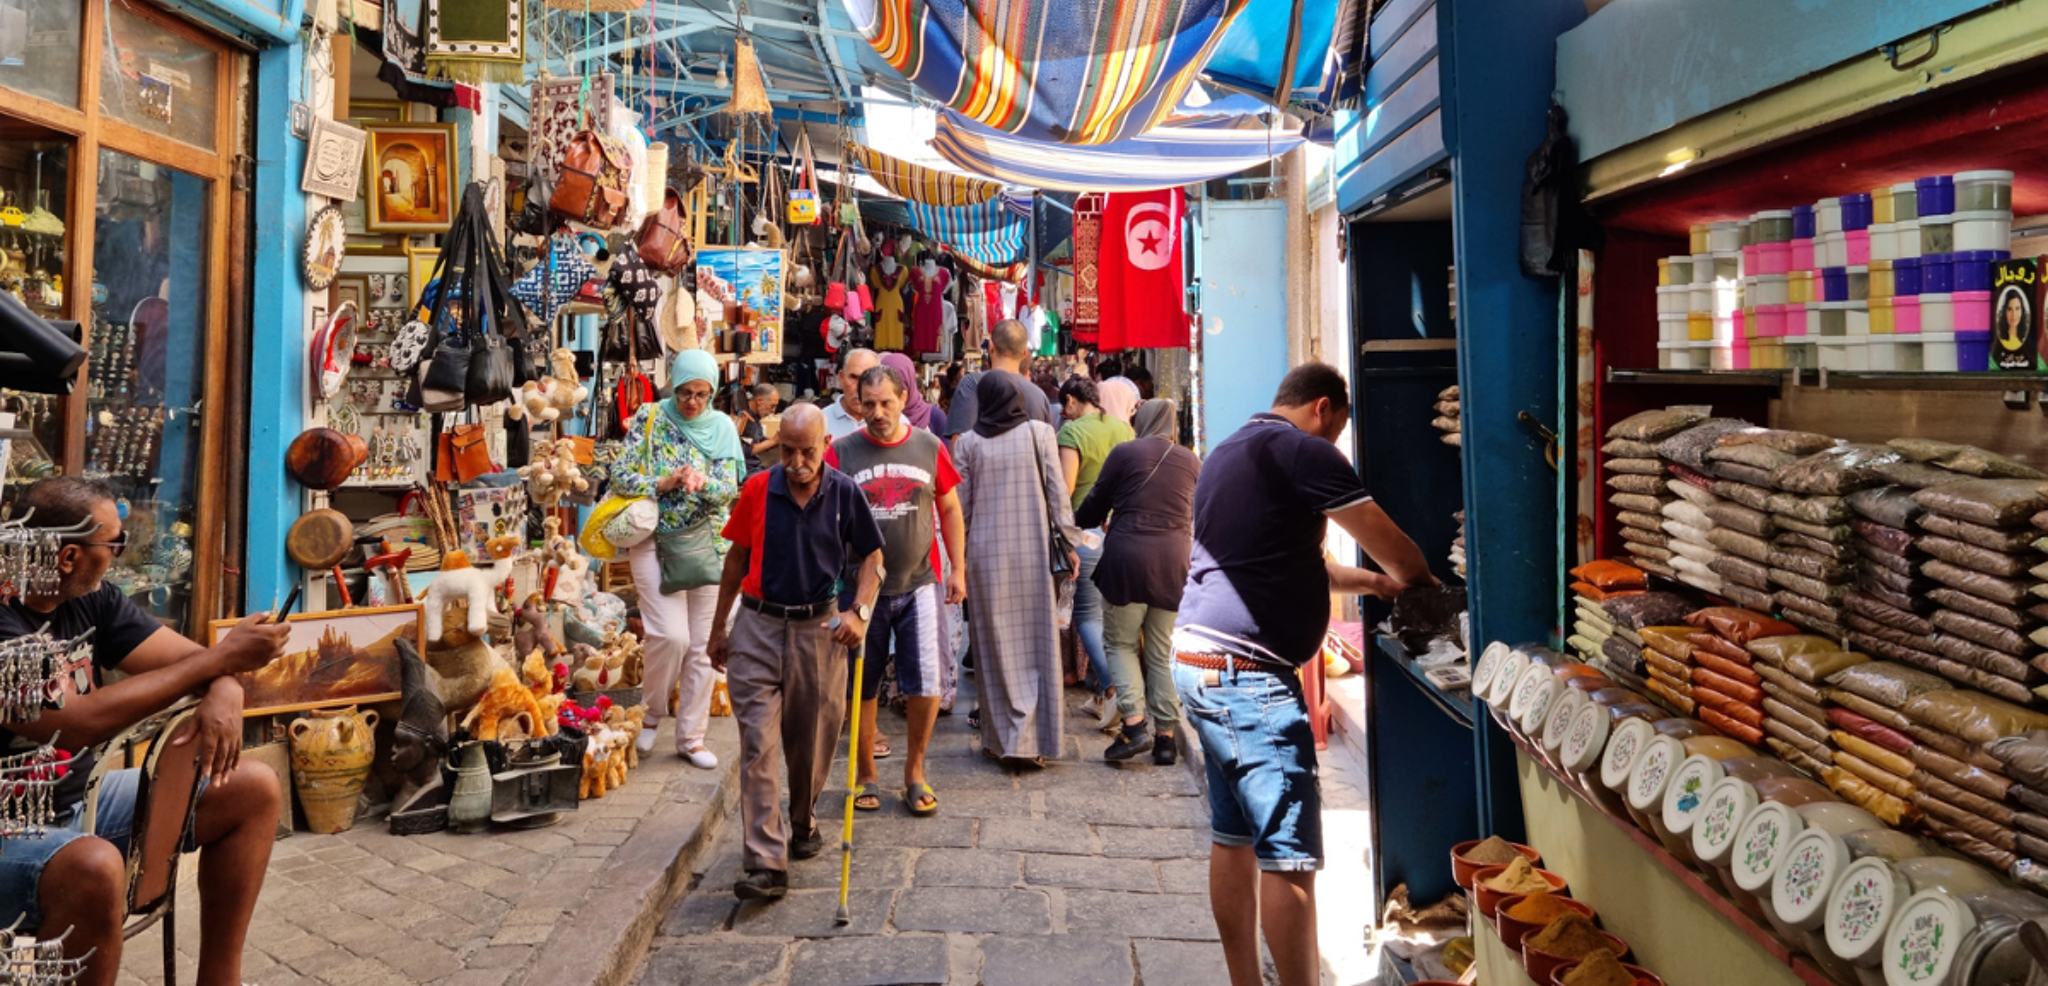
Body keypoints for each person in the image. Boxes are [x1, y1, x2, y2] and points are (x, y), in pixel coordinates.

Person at [1175, 363, 1436, 986]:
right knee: (1289, 858)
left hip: (1198, 659)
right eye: (1337, 432)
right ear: (1323, 408)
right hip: (1248, 674)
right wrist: (1422, 586)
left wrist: (1372, 584)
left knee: (1233, 836)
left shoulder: (1227, 451)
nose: (1335, 447)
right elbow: (1397, 549)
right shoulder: (1302, 452)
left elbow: (1296, 562)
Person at [0, 477, 290, 986]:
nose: (118, 553)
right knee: (94, 864)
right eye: (113, 544)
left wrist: (226, 687)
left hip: (73, 804)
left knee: (252, 788)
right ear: (68, 556)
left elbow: (193, 661)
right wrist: (224, 661)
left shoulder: (91, 600)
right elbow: (74, 724)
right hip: (11, 826)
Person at [707, 403, 884, 900]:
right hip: (759, 627)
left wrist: (859, 613)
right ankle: (766, 862)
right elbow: (736, 558)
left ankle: (803, 821)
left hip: (818, 631)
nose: (797, 460)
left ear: (826, 446)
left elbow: (873, 558)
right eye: (787, 450)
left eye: (807, 451)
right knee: (757, 748)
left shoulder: (845, 493)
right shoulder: (759, 489)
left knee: (810, 744)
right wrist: (719, 628)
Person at [827, 364, 966, 815]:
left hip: (920, 583)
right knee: (861, 686)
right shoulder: (841, 452)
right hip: (861, 589)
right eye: (868, 404)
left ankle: (915, 772)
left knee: (926, 681)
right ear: (856, 404)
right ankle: (866, 773)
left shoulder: (928, 447)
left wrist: (958, 570)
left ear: (904, 398)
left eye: (886, 402)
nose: (877, 412)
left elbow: (949, 509)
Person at [612, 351, 744, 767]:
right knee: (670, 636)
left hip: (707, 542)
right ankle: (650, 715)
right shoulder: (651, 417)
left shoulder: (722, 427)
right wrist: (663, 482)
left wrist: (702, 484)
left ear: (713, 392)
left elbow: (729, 489)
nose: (692, 402)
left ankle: (692, 738)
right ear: (675, 385)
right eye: (686, 392)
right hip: (654, 538)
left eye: (702, 395)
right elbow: (620, 474)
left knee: (705, 644)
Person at [953, 373, 1079, 766]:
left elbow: (962, 509)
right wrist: (1070, 542)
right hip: (1033, 553)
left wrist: (958, 560)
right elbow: (1058, 495)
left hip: (986, 558)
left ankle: (1000, 740)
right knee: (1037, 645)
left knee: (993, 648)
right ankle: (1036, 742)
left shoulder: (969, 443)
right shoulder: (1040, 433)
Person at [1074, 398, 1198, 764]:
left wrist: (1082, 520)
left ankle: (1134, 725)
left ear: (1140, 420)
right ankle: (1165, 738)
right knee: (1161, 651)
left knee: (1122, 644)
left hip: (1128, 559)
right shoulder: (1190, 459)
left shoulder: (1125, 453)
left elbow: (1096, 503)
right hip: (1175, 561)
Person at [1057, 376, 1135, 730]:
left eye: (1064, 407)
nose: (1063, 414)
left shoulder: (1071, 434)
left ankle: (1115, 687)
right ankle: (1108, 695)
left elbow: (1067, 488)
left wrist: (1060, 533)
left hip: (1086, 535)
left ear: (1073, 401)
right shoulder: (1123, 430)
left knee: (1087, 617)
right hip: (1119, 532)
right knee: (1111, 620)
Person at [881, 352, 948, 438]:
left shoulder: (934, 417)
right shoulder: (875, 418)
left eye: (900, 388)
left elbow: (946, 450)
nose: (895, 396)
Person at [824, 348, 881, 441]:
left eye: (869, 379)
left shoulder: (894, 422)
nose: (860, 387)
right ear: (841, 378)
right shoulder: (820, 422)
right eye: (854, 377)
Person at [736, 383, 780, 476]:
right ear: (760, 401)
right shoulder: (746, 419)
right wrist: (773, 441)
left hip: (755, 467)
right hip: (748, 471)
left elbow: (760, 439)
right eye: (772, 406)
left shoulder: (755, 417)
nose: (773, 411)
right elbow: (745, 451)